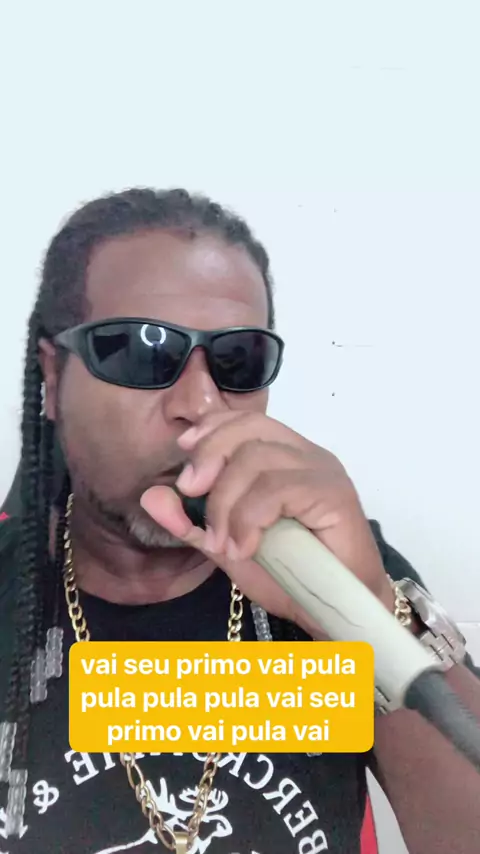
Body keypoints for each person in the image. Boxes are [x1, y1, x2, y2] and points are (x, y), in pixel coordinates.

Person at [0, 188, 479, 854]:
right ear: (53, 378)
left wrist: (363, 612)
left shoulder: (326, 566)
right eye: (142, 350)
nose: (200, 402)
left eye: (237, 360)